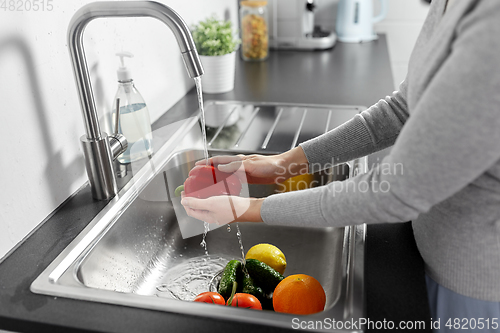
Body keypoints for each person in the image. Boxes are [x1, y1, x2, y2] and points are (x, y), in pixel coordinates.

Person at [181, 0, 500, 331]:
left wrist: (248, 208)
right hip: (428, 247)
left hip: (474, 282)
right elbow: (403, 107)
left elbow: (393, 192)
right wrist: (285, 163)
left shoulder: (492, 25)